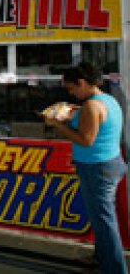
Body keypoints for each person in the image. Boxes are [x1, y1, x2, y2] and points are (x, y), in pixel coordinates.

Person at [45, 62, 128, 274]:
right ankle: (103, 257)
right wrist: (73, 112)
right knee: (103, 219)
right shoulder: (107, 99)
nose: (70, 93)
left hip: (97, 168)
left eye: (72, 88)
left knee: (104, 221)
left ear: (81, 82)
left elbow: (86, 139)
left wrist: (58, 125)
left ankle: (116, 269)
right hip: (109, 163)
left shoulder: (92, 106)